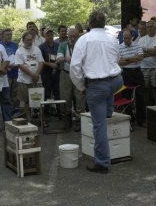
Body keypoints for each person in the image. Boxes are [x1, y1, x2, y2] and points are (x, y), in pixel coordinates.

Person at [70, 11, 123, 173]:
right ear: (104, 23)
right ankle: (108, 111)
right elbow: (117, 58)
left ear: (89, 24)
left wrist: (81, 87)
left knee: (98, 125)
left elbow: (74, 67)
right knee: (107, 95)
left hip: (97, 84)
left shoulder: (84, 39)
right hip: (116, 80)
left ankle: (102, 162)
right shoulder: (113, 39)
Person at [57, 28, 85, 130]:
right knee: (65, 97)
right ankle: (66, 121)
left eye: (74, 36)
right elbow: (58, 59)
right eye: (70, 36)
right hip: (66, 74)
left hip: (78, 74)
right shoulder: (63, 45)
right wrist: (65, 59)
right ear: (67, 36)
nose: (72, 38)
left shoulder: (81, 45)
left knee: (80, 98)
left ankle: (80, 121)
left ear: (78, 36)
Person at [119, 29, 146, 127]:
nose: (126, 40)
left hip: (137, 72)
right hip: (126, 74)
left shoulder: (137, 45)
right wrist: (133, 58)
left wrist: (127, 59)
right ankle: (129, 119)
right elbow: (119, 62)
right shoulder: (119, 47)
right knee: (126, 96)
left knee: (140, 96)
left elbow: (141, 57)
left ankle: (141, 120)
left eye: (128, 38)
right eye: (124, 38)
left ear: (132, 37)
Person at [15, 32, 44, 121]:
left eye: (31, 40)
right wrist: (32, 75)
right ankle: (28, 118)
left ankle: (41, 118)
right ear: (23, 40)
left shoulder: (37, 49)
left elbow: (41, 62)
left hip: (37, 79)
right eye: (27, 40)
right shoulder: (19, 51)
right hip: (24, 80)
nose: (29, 41)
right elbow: (20, 65)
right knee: (27, 100)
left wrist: (37, 74)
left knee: (39, 99)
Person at [39, 28, 61, 118]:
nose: (50, 36)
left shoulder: (58, 45)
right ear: (44, 36)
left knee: (58, 92)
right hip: (46, 73)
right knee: (46, 93)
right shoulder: (41, 47)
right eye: (48, 35)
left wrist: (58, 62)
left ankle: (59, 112)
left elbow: (61, 56)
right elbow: (40, 61)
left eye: (51, 34)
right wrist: (50, 64)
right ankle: (46, 113)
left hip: (57, 73)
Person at [0, 28, 20, 116]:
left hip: (15, 73)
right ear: (3, 35)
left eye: (10, 35)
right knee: (6, 94)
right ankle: (7, 112)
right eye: (7, 35)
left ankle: (15, 112)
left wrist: (17, 63)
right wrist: (7, 65)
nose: (9, 36)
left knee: (15, 94)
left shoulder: (15, 45)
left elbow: (18, 56)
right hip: (5, 74)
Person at [139, 20, 156, 106]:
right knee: (145, 89)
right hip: (143, 67)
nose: (149, 28)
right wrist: (152, 52)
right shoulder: (141, 40)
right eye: (148, 27)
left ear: (155, 28)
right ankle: (146, 108)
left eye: (151, 27)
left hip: (155, 67)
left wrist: (145, 50)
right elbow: (140, 54)